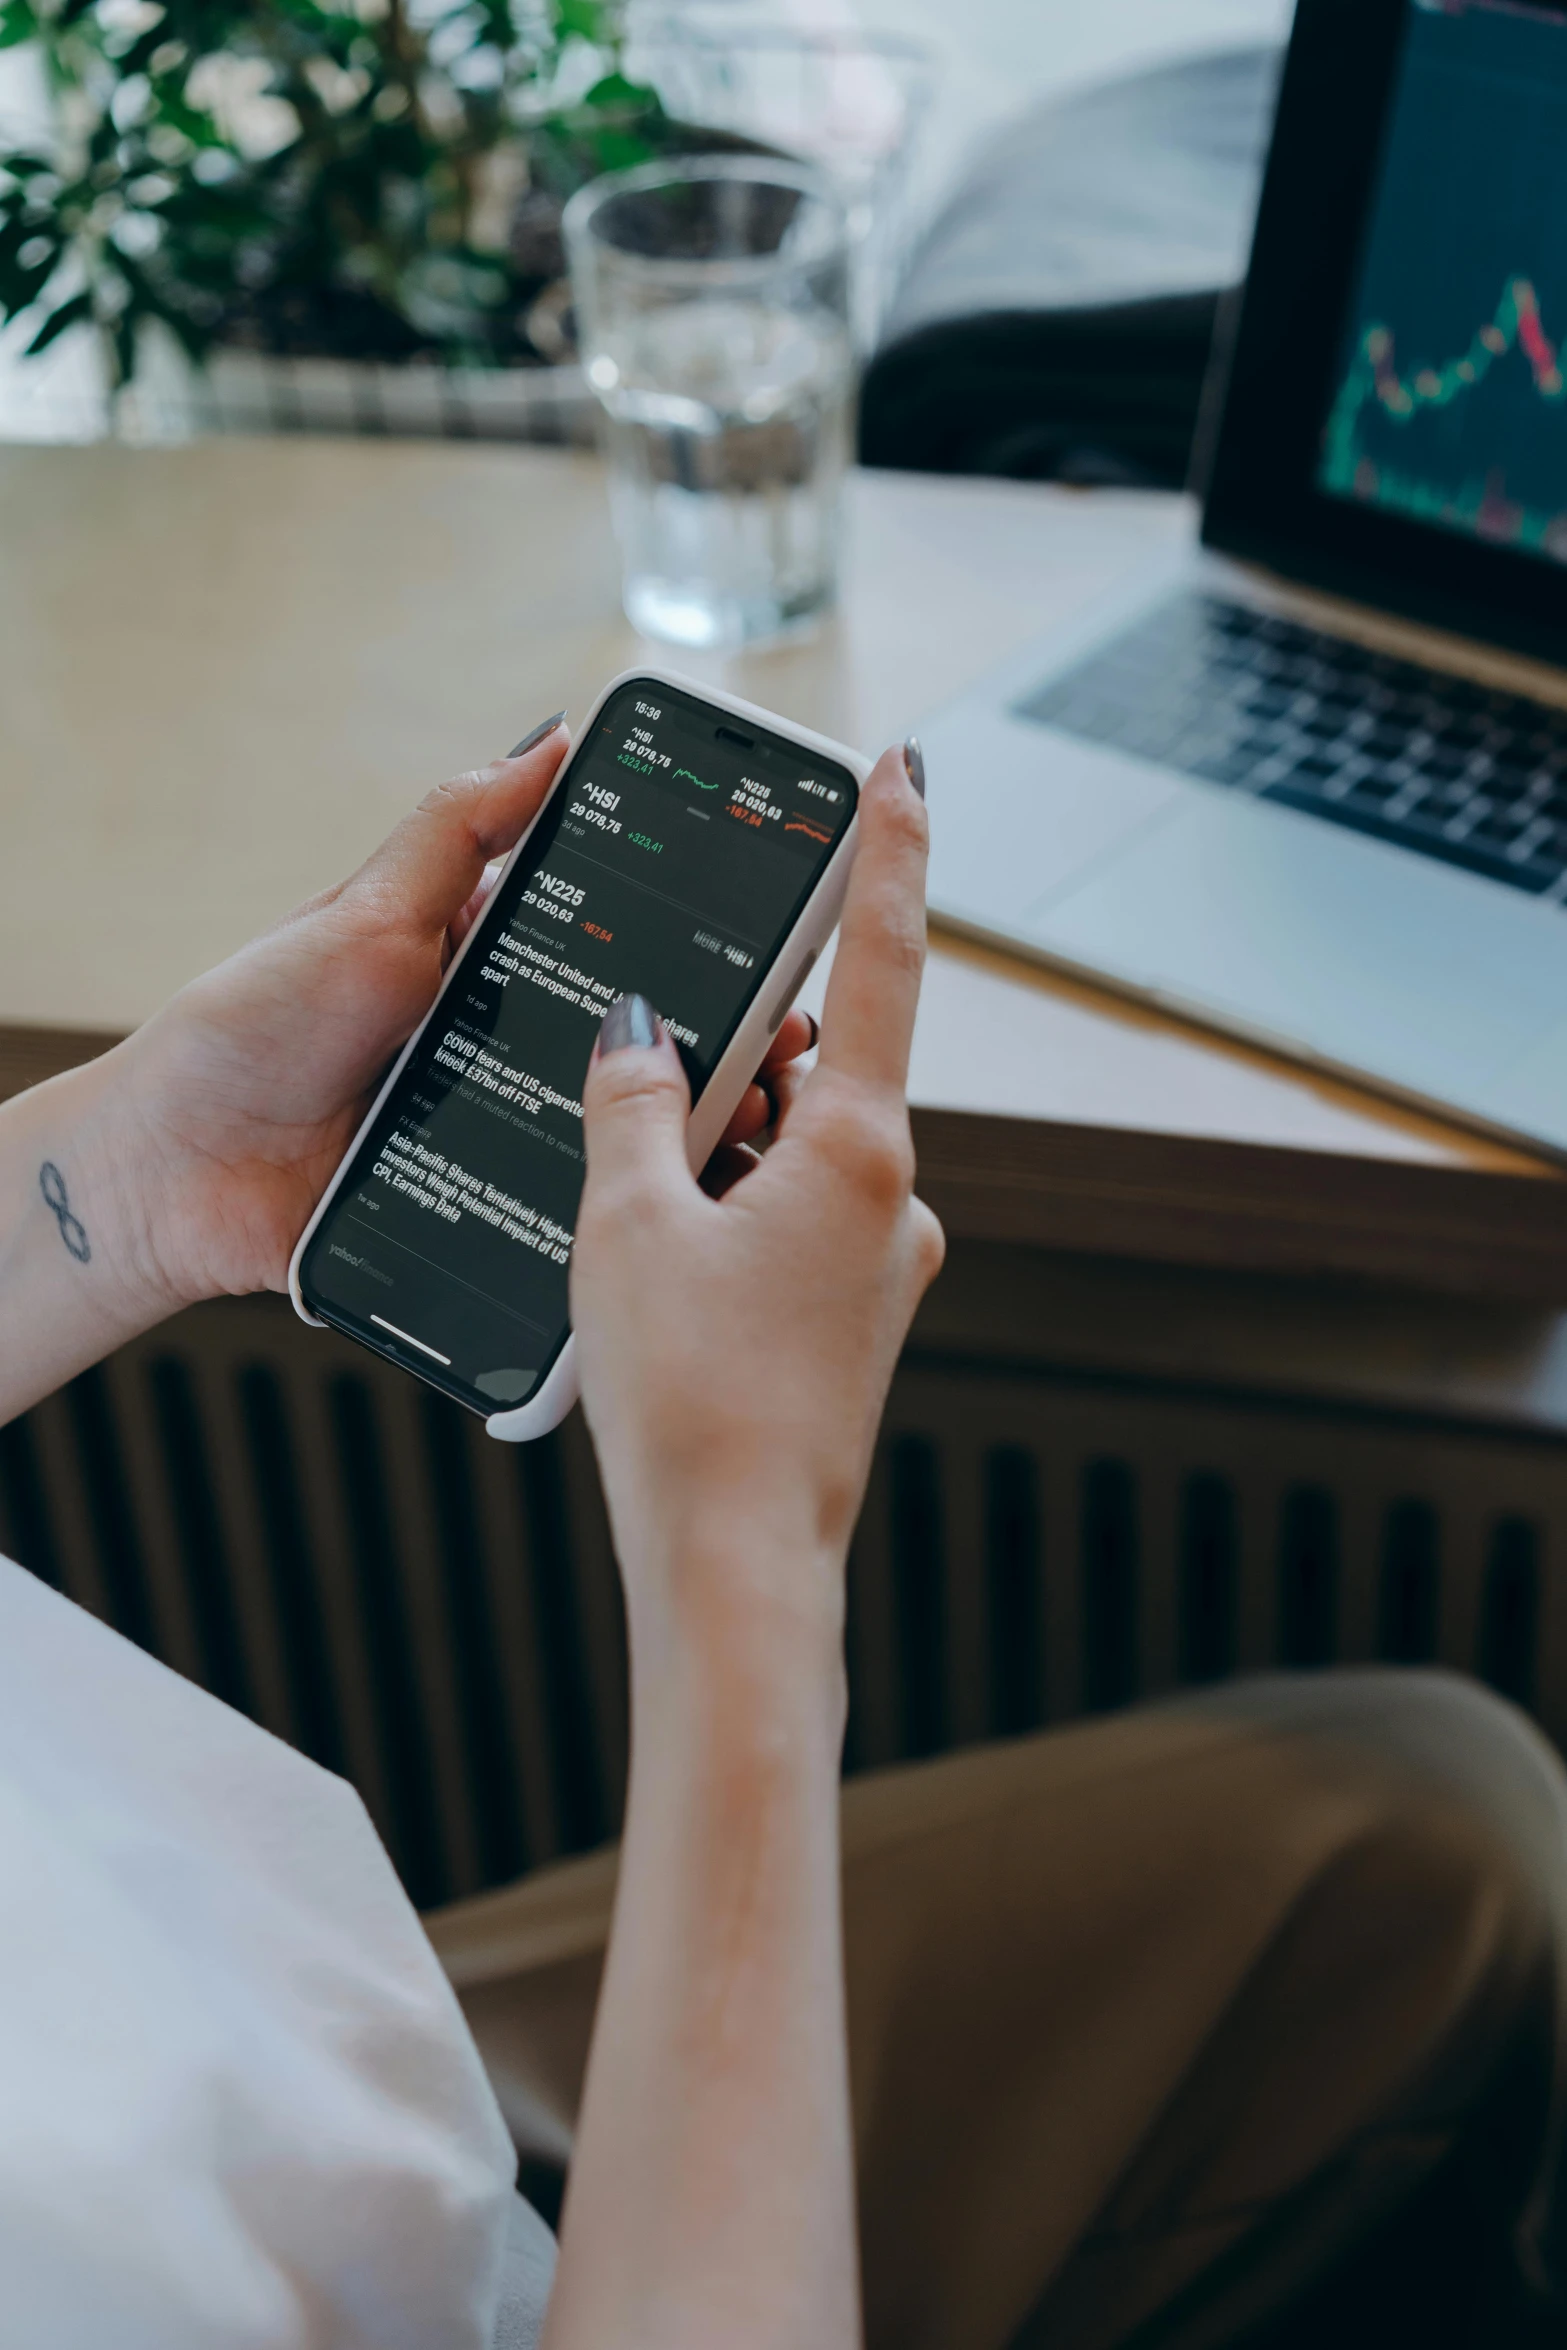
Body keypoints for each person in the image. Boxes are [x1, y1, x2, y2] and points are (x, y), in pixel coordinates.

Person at [1, 719, 1565, 2350]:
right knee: (1443, 1865)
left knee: (1441, 1849)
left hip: (304, 2058)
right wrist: (742, 1535)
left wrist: (132, 1173)